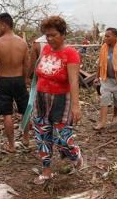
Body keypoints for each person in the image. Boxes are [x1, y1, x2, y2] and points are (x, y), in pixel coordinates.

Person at [33, 16, 83, 184]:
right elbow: (37, 72)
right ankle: (46, 170)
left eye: (53, 35)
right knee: (42, 135)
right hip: (41, 98)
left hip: (62, 100)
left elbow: (74, 81)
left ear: (63, 34)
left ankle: (75, 154)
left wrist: (76, 106)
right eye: (47, 35)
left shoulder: (71, 54)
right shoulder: (45, 49)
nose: (49, 38)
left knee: (62, 138)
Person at [0, 13, 30, 153]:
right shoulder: (22, 43)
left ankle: (11, 145)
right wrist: (25, 79)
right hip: (18, 80)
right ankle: (26, 138)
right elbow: (27, 64)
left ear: (4, 25)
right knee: (25, 111)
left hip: (4, 80)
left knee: (7, 114)